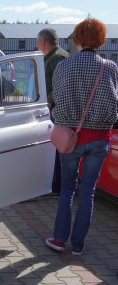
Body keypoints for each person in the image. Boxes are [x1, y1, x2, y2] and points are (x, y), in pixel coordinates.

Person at [45, 18, 118, 256]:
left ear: (76, 38)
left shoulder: (64, 66)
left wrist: (62, 118)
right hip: (100, 138)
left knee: (67, 188)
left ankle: (58, 239)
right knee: (88, 191)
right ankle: (78, 245)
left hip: (70, 137)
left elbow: (58, 102)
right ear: (101, 39)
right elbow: (113, 105)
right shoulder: (110, 67)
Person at [36, 28, 69, 194]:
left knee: (57, 148)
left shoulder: (58, 58)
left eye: (37, 41)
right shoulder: (52, 57)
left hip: (57, 110)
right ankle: (54, 183)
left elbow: (59, 86)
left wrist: (48, 103)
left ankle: (57, 186)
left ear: (43, 41)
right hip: (52, 108)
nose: (37, 45)